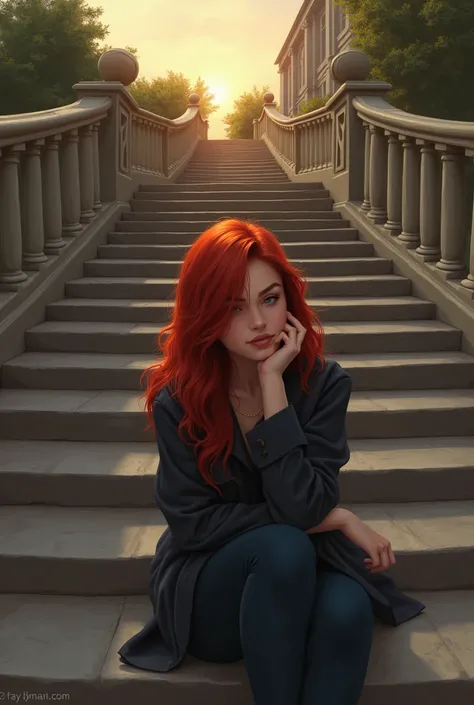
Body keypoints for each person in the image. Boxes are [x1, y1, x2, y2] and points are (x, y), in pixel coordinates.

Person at [118, 218, 425, 704]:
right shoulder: (177, 399)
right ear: (204, 313)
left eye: (270, 298)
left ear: (290, 301)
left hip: (310, 565)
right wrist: (337, 518)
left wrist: (272, 387)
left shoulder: (324, 386)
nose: (259, 322)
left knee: (348, 610)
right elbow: (194, 525)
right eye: (233, 307)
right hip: (210, 585)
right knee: (284, 547)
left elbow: (302, 506)